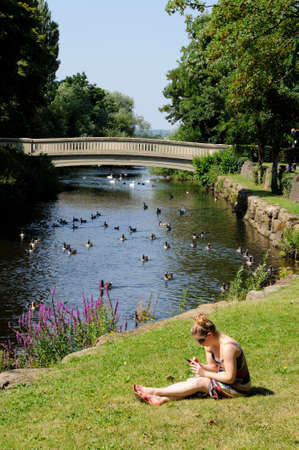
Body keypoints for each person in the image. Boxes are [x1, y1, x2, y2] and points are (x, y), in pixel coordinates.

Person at [133, 313, 251, 405]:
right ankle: (161, 399)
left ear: (209, 334)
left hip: (239, 388)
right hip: (224, 382)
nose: (200, 344)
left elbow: (230, 378)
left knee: (200, 382)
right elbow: (215, 368)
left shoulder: (228, 347)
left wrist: (204, 373)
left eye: (201, 340)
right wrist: (202, 366)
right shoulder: (209, 344)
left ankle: (155, 392)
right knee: (192, 381)